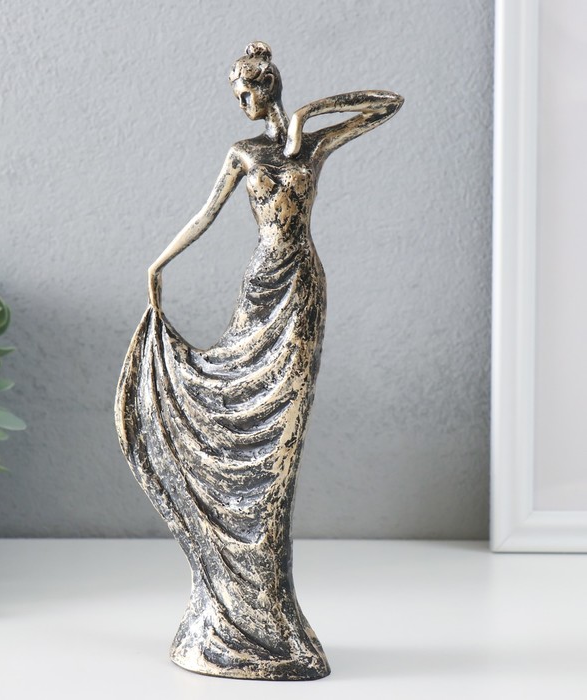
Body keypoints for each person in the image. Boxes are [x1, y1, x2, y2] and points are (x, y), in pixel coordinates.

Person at [116, 42, 403, 681]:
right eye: (237, 95)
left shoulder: (312, 146)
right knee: (238, 420)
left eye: (248, 92)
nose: (243, 103)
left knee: (280, 450)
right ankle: (223, 611)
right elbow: (205, 214)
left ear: (269, 88)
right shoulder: (243, 153)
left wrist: (308, 115)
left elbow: (388, 104)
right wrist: (159, 263)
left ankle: (269, 617)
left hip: (301, 292)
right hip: (260, 290)